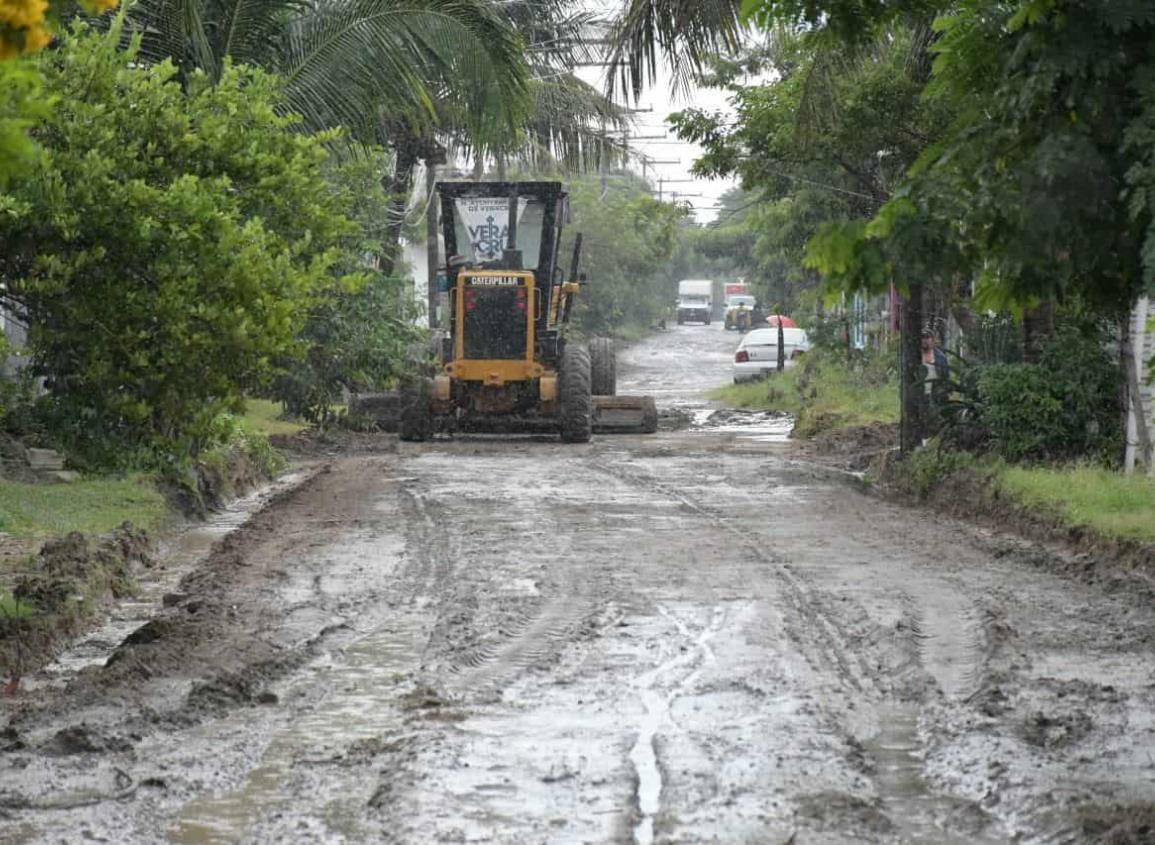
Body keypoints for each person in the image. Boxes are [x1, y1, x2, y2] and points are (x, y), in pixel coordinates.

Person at [920, 327, 950, 409]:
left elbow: (946, 377)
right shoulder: (914, 357)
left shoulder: (941, 357)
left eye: (927, 337)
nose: (924, 340)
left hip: (936, 395)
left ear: (932, 340)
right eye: (922, 338)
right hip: (920, 396)